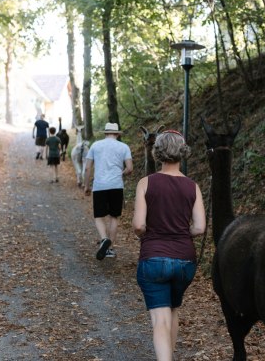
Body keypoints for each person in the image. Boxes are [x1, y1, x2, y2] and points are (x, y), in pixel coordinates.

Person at [131, 130, 206, 361]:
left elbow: (139, 225)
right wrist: (181, 232)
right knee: (173, 310)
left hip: (154, 258)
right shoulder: (192, 186)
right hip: (185, 261)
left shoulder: (146, 183)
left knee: (160, 320)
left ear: (158, 153)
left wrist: (150, 233)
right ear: (182, 153)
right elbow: (200, 227)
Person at [83, 122, 134, 260]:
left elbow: (87, 168)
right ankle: (110, 249)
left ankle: (104, 239)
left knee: (99, 216)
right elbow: (130, 168)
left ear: (105, 133)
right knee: (114, 216)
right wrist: (121, 173)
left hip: (99, 186)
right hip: (116, 185)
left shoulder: (95, 145)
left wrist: (86, 186)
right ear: (117, 134)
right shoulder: (124, 147)